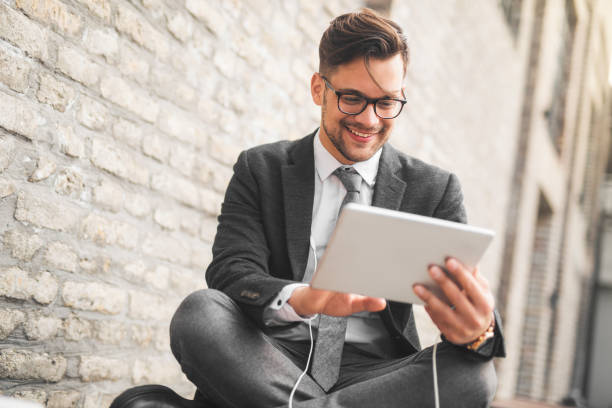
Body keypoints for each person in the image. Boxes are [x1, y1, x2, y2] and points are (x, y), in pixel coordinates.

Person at [170, 8, 505, 408]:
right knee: (200, 314)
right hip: (270, 358)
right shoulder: (260, 169)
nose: (369, 119)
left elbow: (464, 306)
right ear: (318, 89)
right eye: (352, 98)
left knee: (476, 377)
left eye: (386, 103)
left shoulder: (434, 190)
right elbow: (230, 273)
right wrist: (305, 299)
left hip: (378, 377)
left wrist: (479, 330)